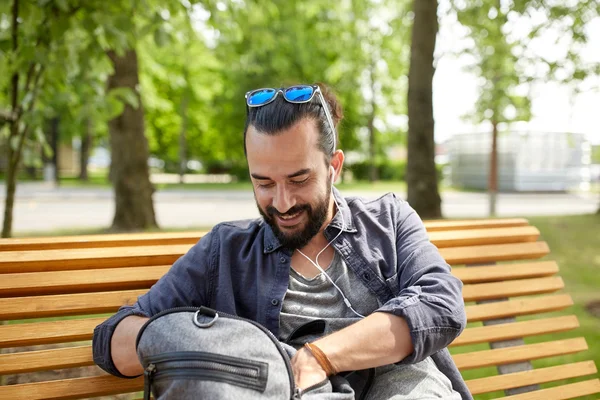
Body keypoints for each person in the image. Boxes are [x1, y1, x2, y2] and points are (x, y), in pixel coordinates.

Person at [93, 83, 471, 399]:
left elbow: (441, 304)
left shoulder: (388, 221)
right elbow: (113, 340)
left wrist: (320, 357)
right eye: (264, 183)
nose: (283, 202)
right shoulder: (225, 251)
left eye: (299, 179)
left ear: (333, 167)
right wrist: (219, 347)